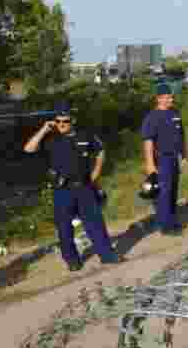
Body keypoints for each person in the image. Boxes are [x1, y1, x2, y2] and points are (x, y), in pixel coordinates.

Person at [23, 102, 122, 270]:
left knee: (95, 223)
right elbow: (29, 149)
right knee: (64, 228)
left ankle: (107, 255)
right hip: (62, 190)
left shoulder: (85, 135)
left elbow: (100, 151)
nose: (61, 124)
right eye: (58, 121)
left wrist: (96, 172)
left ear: (73, 121)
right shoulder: (50, 138)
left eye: (65, 121)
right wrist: (44, 129)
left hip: (84, 187)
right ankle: (72, 260)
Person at [141, 84, 188, 235]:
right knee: (164, 193)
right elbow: (148, 141)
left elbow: (181, 137)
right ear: (159, 99)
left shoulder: (175, 113)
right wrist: (150, 163)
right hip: (162, 160)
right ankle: (165, 226)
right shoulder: (152, 117)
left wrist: (184, 156)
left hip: (174, 158)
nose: (171, 99)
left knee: (173, 191)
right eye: (168, 97)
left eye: (171, 96)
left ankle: (172, 221)